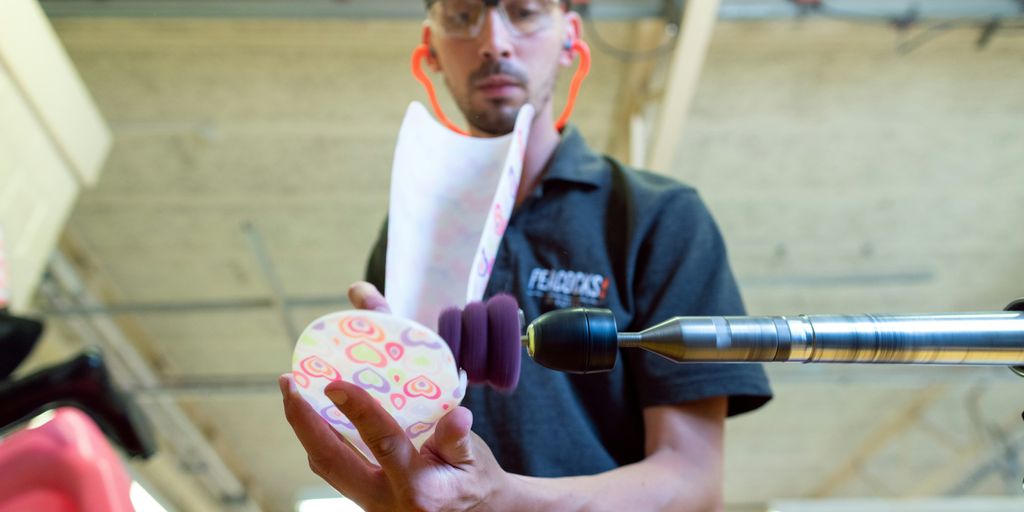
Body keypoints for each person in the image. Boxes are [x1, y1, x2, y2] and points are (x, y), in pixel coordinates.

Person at [280, 1, 772, 510]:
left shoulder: (660, 216)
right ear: (430, 51)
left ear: (570, 37)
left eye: (525, 11)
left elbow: (693, 482)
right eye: (462, 16)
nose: (494, 41)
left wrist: (505, 499)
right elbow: (409, 456)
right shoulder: (408, 233)